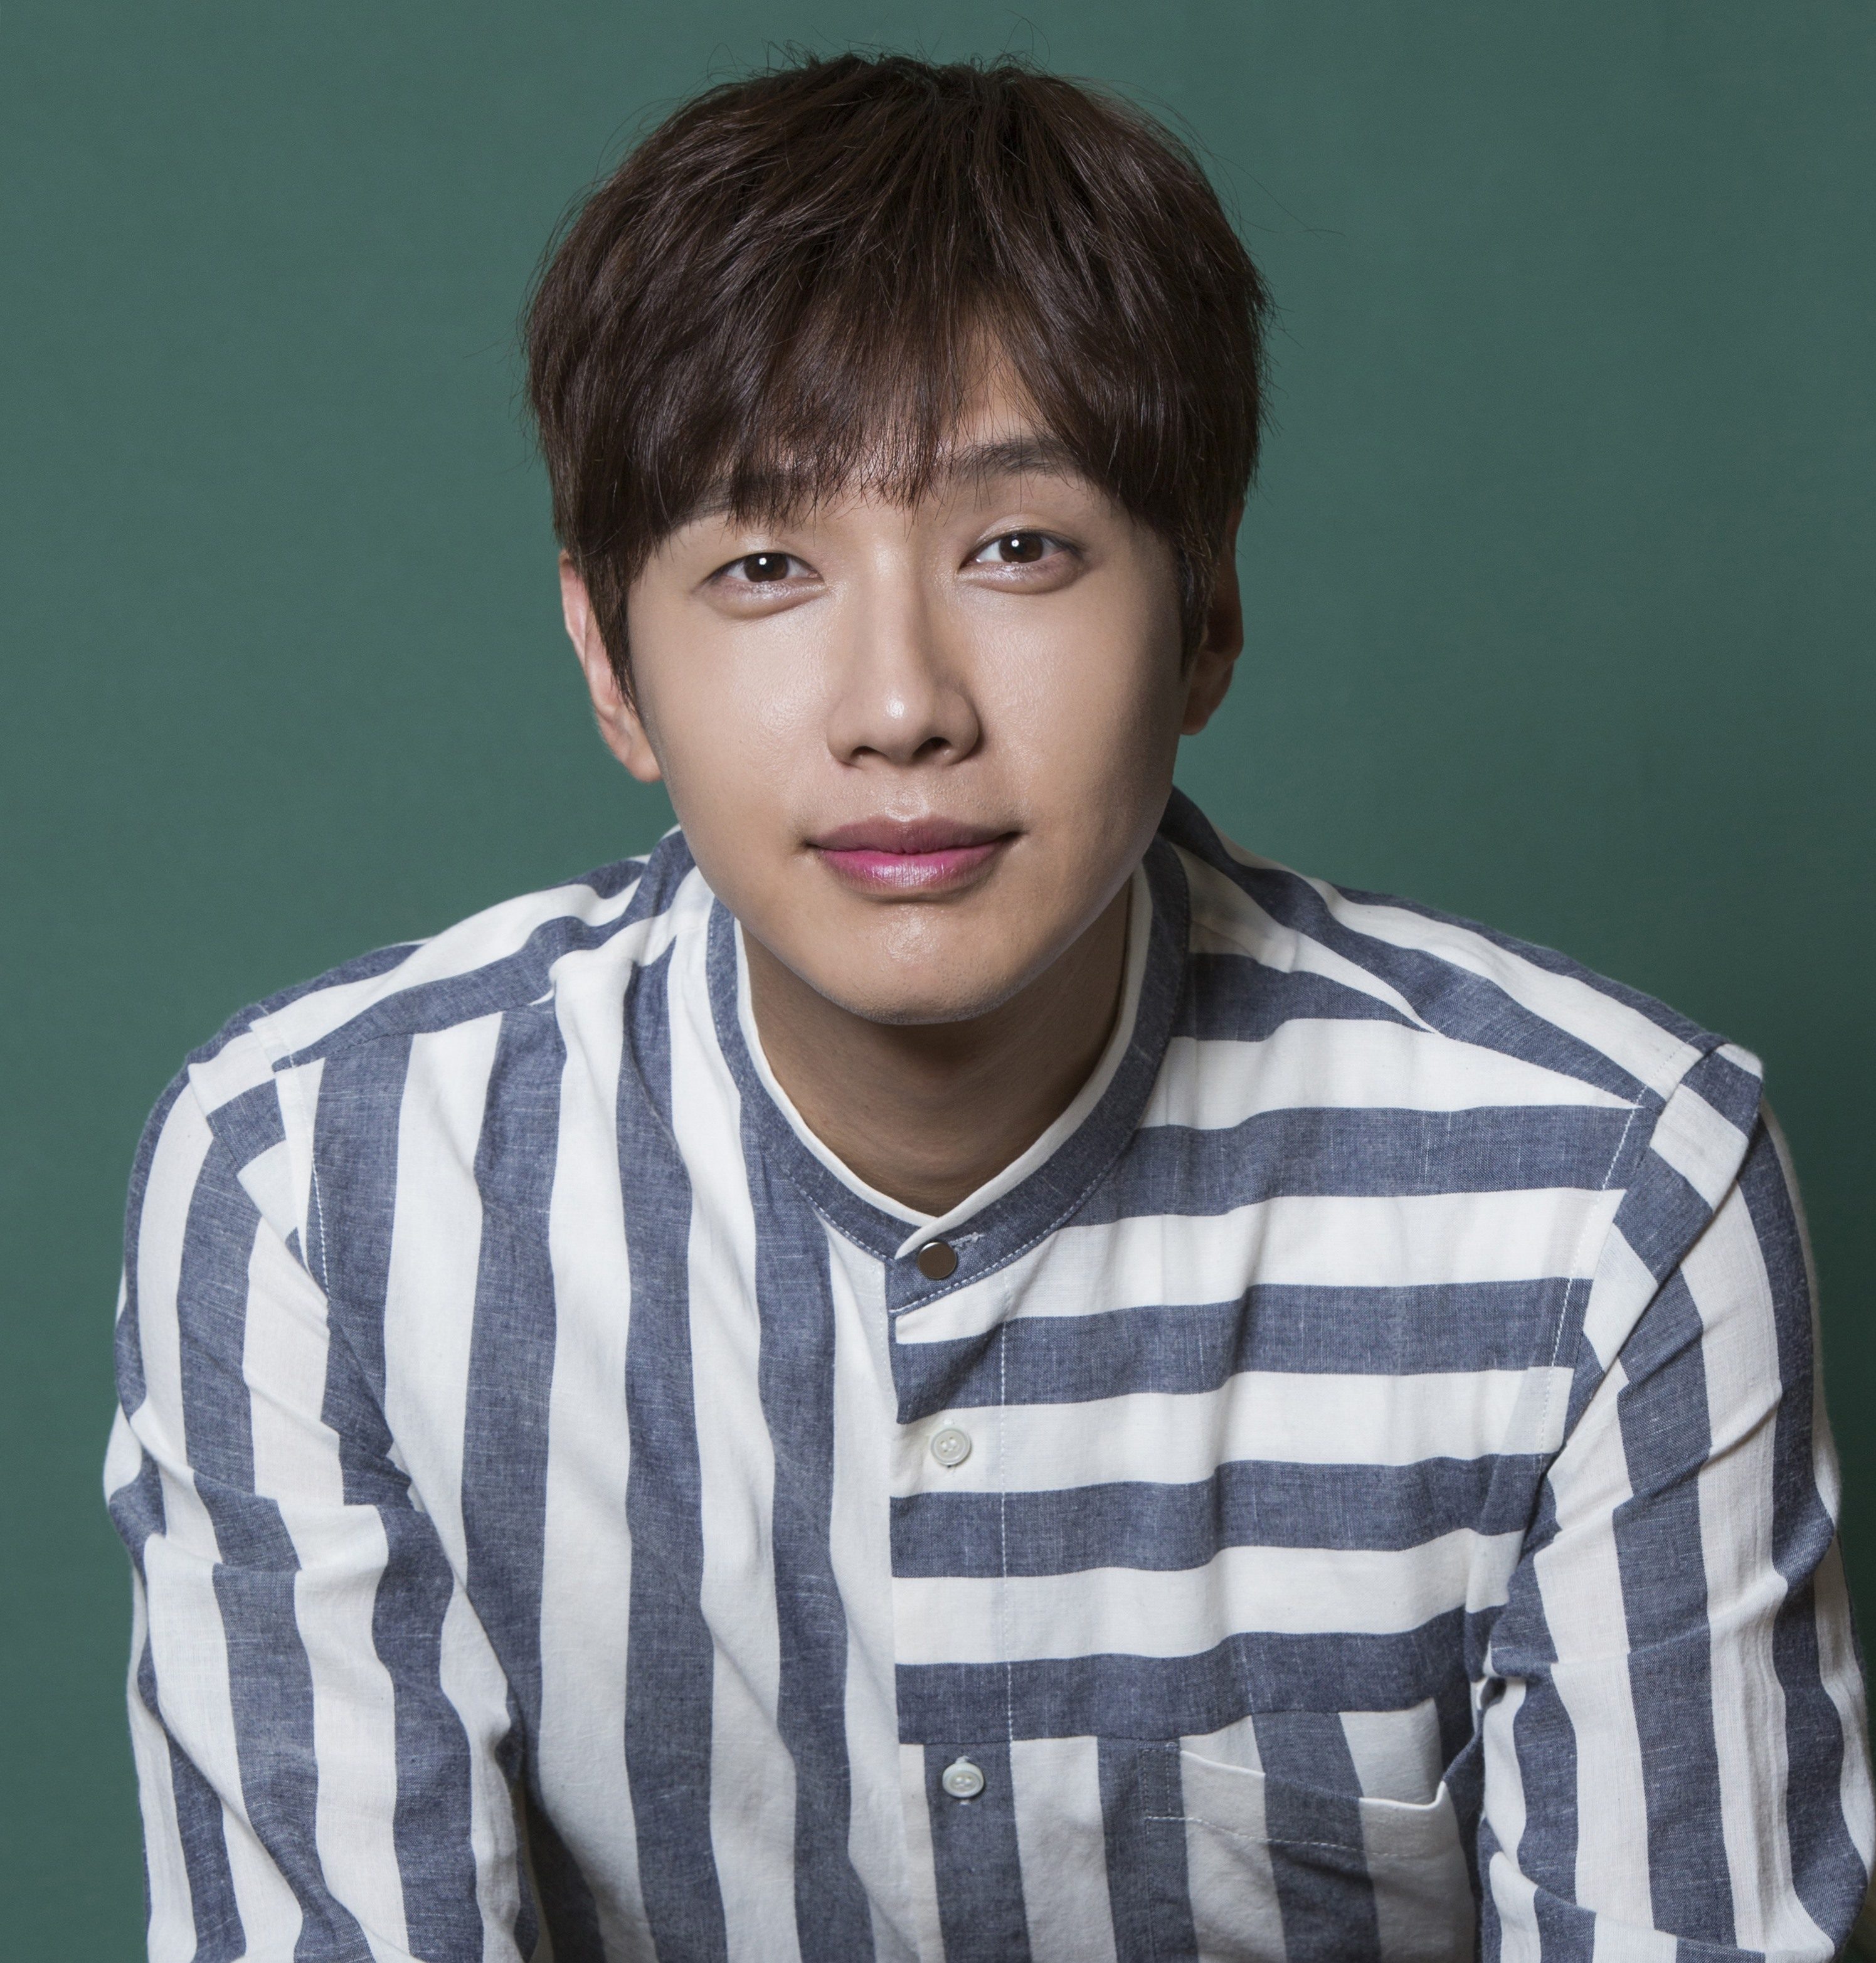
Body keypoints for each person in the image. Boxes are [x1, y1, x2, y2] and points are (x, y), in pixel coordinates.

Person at [105, 50, 1870, 1963]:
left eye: (1017, 546)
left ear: (1205, 614)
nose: (901, 704)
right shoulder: (317, 1192)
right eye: (765, 562)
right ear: (609, 661)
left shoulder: (1606, 1203)